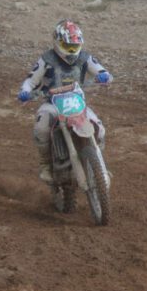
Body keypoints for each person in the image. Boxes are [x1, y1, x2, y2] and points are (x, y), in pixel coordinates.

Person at [18, 20, 112, 183]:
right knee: (41, 128)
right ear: (57, 42)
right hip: (52, 103)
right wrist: (25, 91)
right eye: (67, 46)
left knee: (100, 129)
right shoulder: (46, 59)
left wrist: (104, 76)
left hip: (76, 102)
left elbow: (103, 72)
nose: (71, 51)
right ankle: (46, 165)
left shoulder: (85, 57)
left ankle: (99, 165)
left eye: (74, 47)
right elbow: (31, 80)